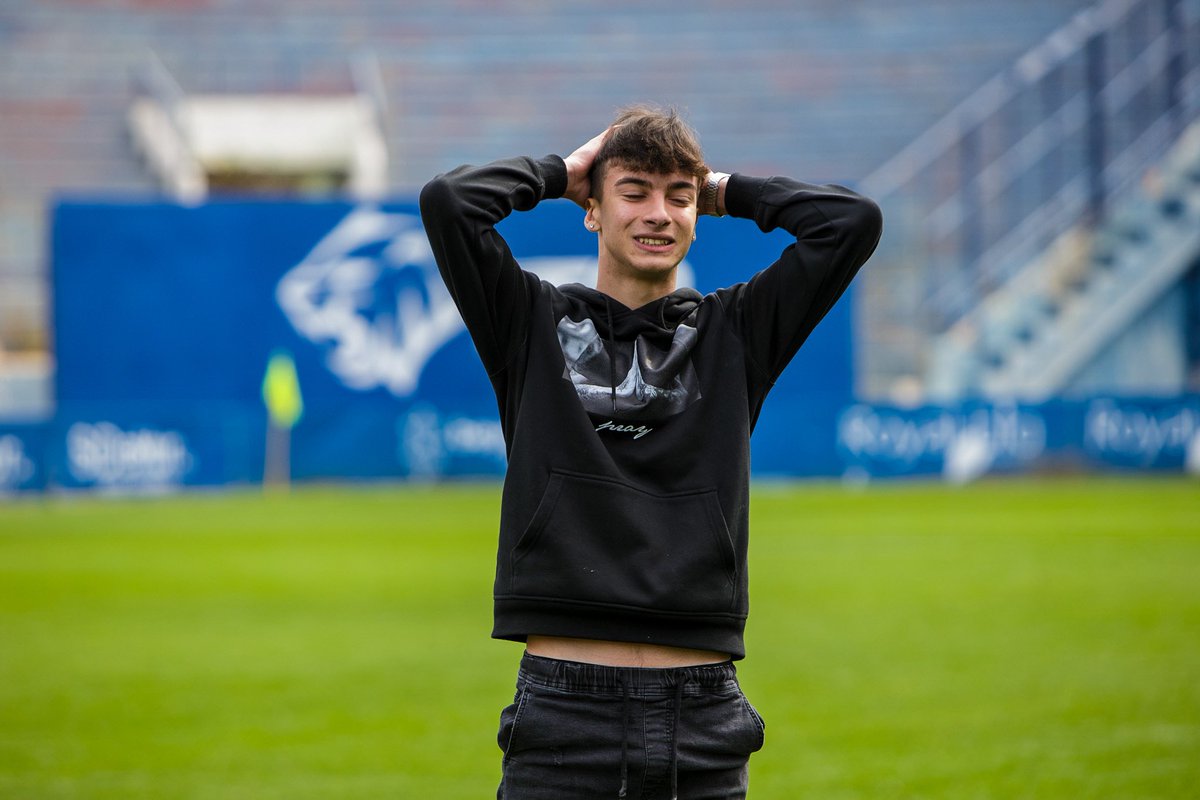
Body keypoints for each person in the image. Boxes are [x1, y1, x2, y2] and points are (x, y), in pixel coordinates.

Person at [420, 105, 882, 800]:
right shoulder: (529, 323)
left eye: (679, 197)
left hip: (702, 716)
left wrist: (723, 187)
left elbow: (851, 223)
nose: (658, 214)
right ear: (593, 211)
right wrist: (562, 172)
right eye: (633, 191)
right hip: (562, 716)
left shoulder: (736, 334)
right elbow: (451, 204)